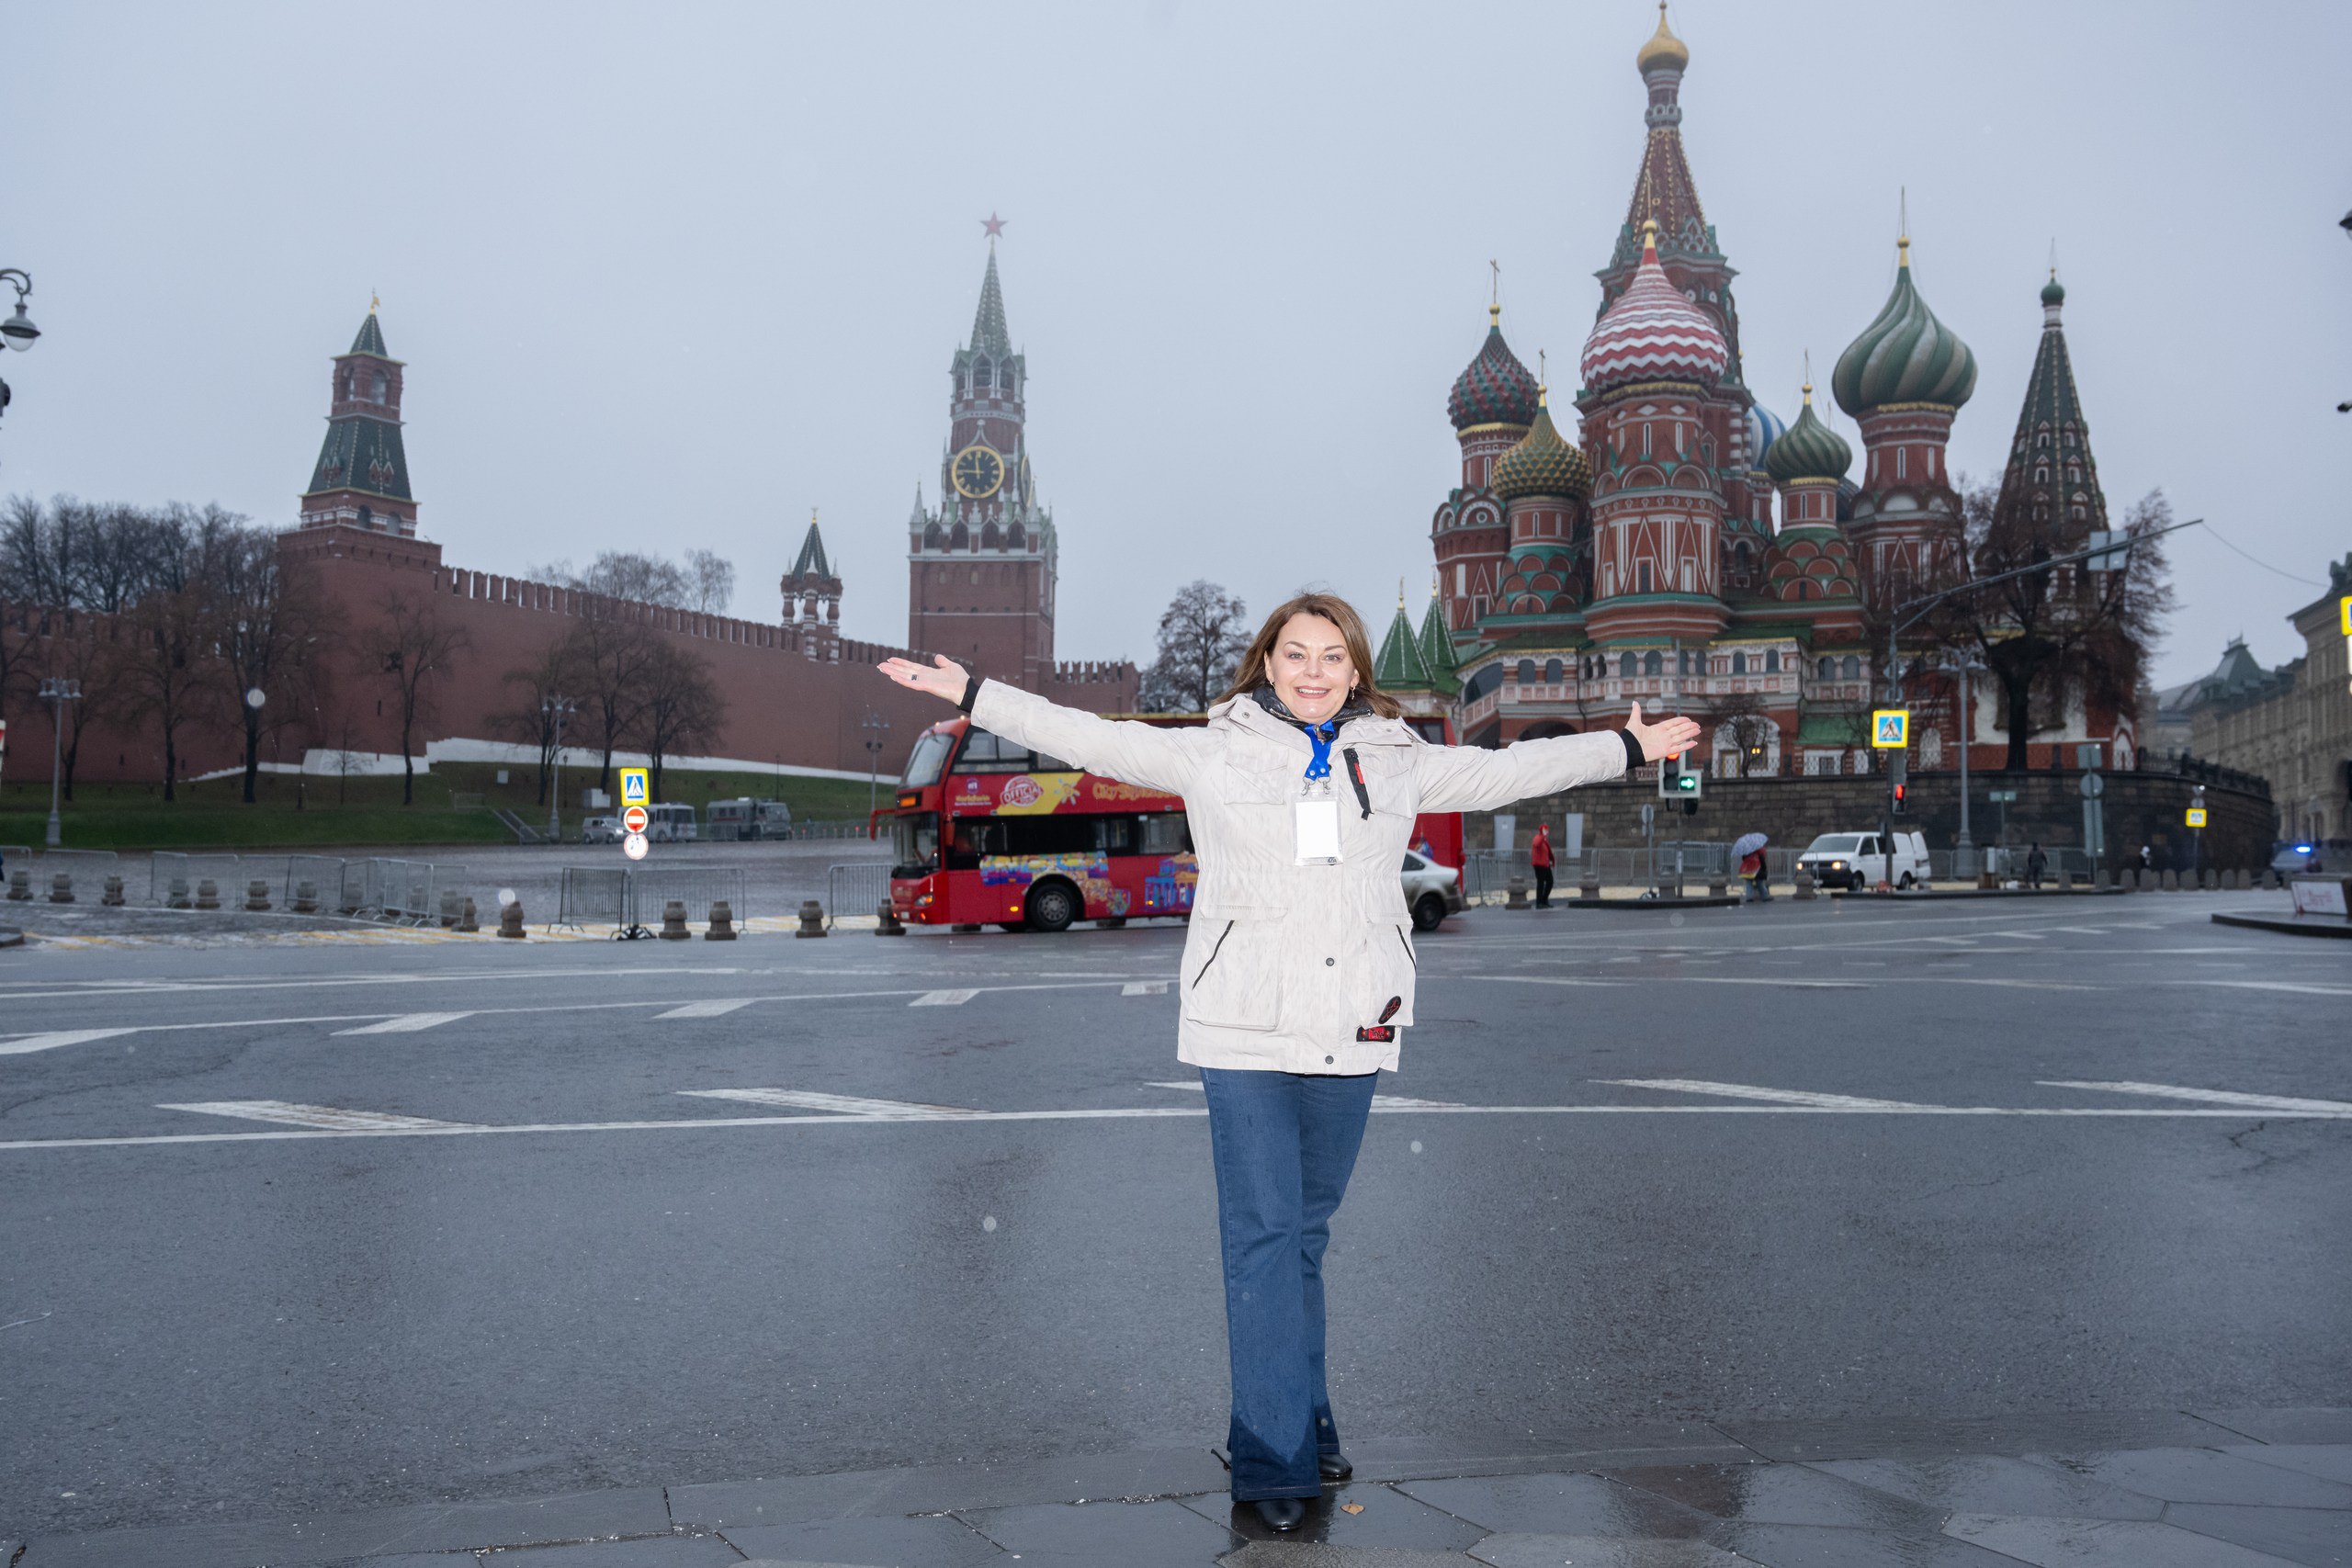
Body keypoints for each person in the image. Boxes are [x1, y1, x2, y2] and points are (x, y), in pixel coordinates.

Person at [878, 592, 1699, 1534]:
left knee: (1304, 1233)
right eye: (1296, 653)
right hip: (1242, 1025)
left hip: (1352, 1022)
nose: (1313, 671)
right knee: (1265, 1233)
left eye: (1332, 656)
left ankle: (1306, 1419)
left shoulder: (1395, 757)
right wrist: (975, 695)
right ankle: (1271, 1455)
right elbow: (1089, 737)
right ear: (1267, 663)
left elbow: (1510, 770)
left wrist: (1624, 747)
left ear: (1355, 671)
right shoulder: (1212, 751)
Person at [1529, 821, 1555, 908]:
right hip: (1539, 865)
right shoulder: (1538, 837)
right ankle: (1539, 903)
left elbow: (1546, 851)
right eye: (1545, 830)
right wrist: (1543, 835)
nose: (1547, 832)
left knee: (1550, 881)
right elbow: (1536, 844)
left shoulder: (1544, 840)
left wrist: (1551, 860)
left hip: (1545, 864)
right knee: (1541, 883)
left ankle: (1544, 900)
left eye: (1547, 830)